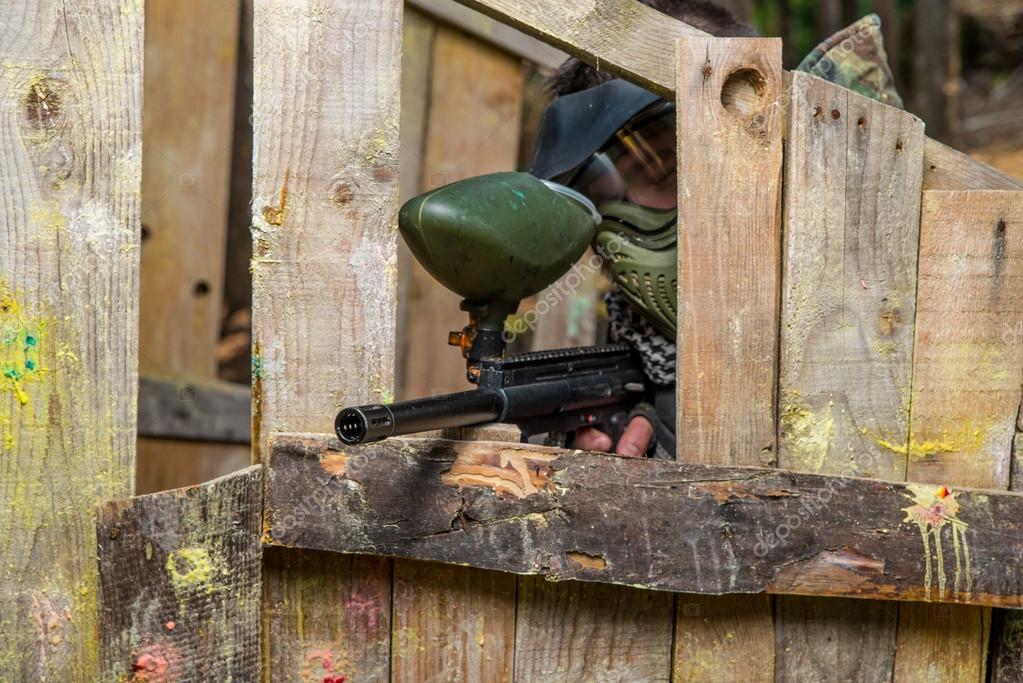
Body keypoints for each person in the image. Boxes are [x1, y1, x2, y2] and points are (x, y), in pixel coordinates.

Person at [528, 1, 903, 458]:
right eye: (600, 206)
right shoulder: (641, 348)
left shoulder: (889, 310)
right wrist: (652, 421)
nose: (619, 236)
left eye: (662, 171)